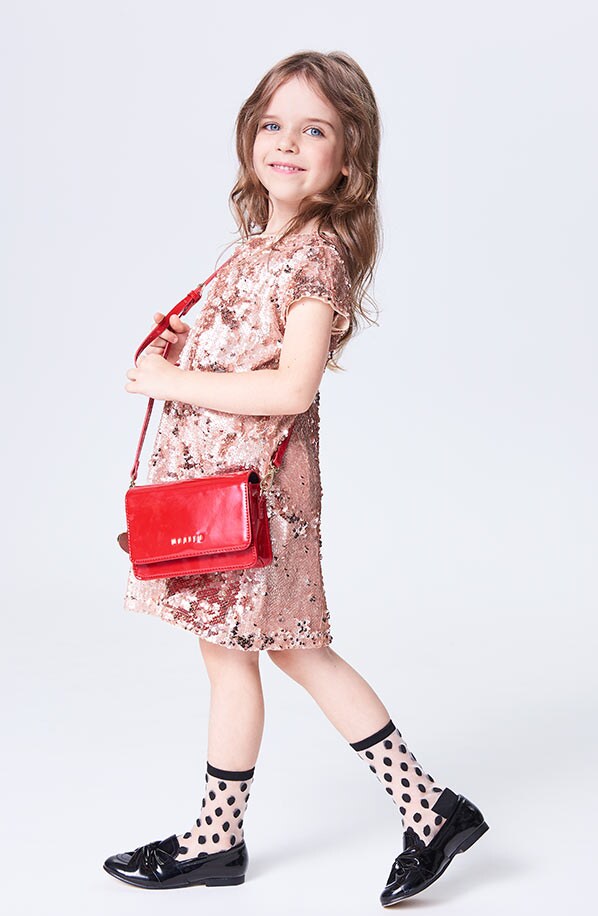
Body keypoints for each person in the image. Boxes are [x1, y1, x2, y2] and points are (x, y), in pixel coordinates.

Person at [103, 50, 489, 907]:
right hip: (221, 492)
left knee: (260, 654)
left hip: (254, 498)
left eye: (314, 130)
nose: (286, 142)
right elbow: (249, 356)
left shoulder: (315, 259)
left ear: (347, 161)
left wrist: (170, 379)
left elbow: (290, 389)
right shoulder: (255, 250)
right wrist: (191, 347)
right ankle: (420, 810)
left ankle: (233, 836)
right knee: (273, 653)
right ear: (250, 136)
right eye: (273, 124)